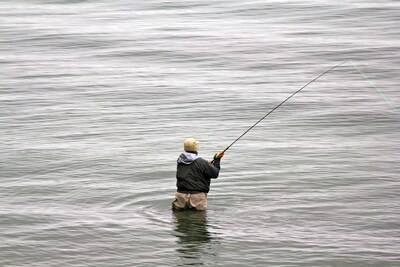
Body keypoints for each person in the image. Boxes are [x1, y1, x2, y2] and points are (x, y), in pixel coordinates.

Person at [172, 138, 224, 211]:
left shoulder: (180, 160)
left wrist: (207, 164)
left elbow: (193, 167)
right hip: (197, 197)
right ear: (196, 147)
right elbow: (215, 173)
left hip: (181, 195)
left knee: (180, 219)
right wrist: (217, 160)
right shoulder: (201, 162)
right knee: (198, 221)